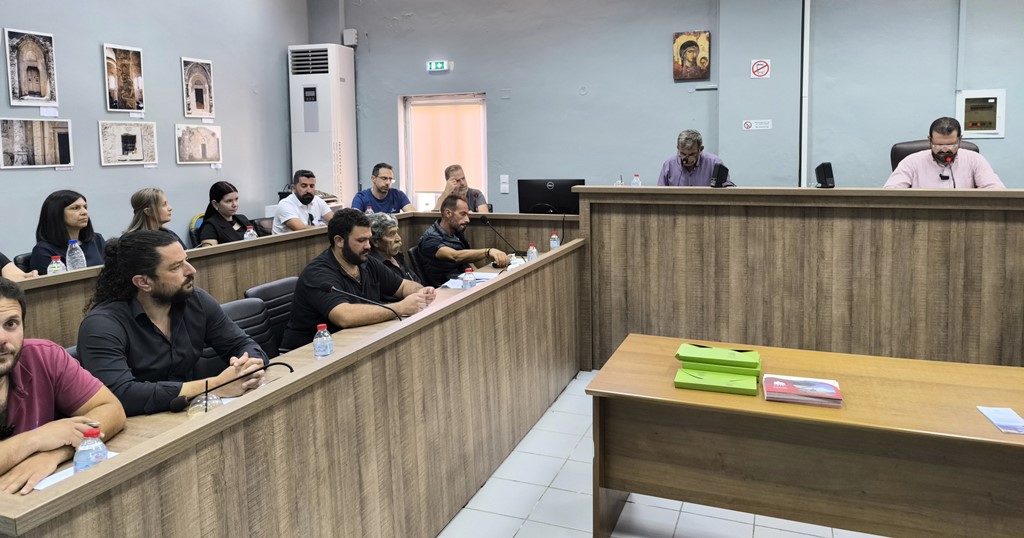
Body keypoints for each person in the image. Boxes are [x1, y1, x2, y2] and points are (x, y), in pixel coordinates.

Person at [77, 231, 268, 416]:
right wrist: (214, 386)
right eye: (176, 267)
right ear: (143, 282)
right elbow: (121, 394)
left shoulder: (196, 301)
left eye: (186, 260)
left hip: (189, 415)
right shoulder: (101, 325)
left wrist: (248, 367)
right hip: (138, 428)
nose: (191, 270)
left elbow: (242, 344)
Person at [0, 278, 125, 495]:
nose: (2, 339)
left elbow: (111, 409)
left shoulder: (43, 356)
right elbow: (41, 437)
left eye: (11, 324)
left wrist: (55, 453)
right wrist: (36, 439)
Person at [280, 209, 436, 351]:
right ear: (339, 241)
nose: (368, 246)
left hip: (352, 344)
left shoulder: (366, 262)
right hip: (310, 353)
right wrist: (400, 307)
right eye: (361, 240)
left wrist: (421, 292)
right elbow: (344, 316)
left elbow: (401, 286)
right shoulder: (318, 273)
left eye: (368, 239)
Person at [884, 117, 1005, 189]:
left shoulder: (974, 160)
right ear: (930, 140)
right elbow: (890, 191)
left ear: (960, 139)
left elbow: (995, 189)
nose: (945, 150)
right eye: (939, 145)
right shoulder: (912, 162)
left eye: (951, 145)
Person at [416, 195, 510, 287]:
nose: (467, 220)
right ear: (448, 213)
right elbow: (455, 256)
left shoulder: (456, 233)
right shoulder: (430, 239)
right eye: (463, 214)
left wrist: (481, 278)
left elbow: (468, 263)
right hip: (446, 289)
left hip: (465, 282)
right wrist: (488, 252)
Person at [30, 190, 107, 274]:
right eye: (75, 208)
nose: (85, 212)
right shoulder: (44, 250)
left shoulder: (96, 239)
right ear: (57, 213)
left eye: (85, 207)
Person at [367, 212, 420, 301]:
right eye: (391, 234)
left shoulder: (397, 256)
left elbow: (416, 281)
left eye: (397, 232)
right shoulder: (373, 266)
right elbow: (390, 299)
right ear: (375, 241)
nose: (398, 238)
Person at [197, 181, 267, 247]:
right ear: (215, 204)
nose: (235, 204)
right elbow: (211, 254)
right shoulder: (209, 227)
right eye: (229, 201)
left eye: (236, 199)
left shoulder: (242, 219)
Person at [658, 130, 733, 187]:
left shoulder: (714, 163)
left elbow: (727, 189)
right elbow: (660, 192)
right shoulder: (669, 165)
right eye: (683, 153)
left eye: (692, 154)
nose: (686, 159)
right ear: (678, 148)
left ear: (701, 149)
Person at [272, 169, 335, 234]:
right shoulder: (285, 205)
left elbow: (335, 221)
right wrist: (327, 228)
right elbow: (302, 229)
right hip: (293, 240)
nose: (309, 190)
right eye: (304, 186)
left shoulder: (317, 200)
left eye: (312, 186)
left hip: (312, 239)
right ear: (293, 188)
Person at [350, 163, 415, 214]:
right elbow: (353, 220)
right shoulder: (361, 197)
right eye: (384, 178)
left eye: (390, 179)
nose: (388, 182)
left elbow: (413, 215)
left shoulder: (398, 195)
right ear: (373, 178)